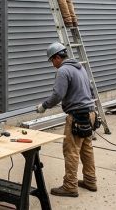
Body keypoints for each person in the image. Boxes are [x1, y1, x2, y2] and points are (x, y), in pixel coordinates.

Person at [35, 42, 97, 197]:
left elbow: (57, 95)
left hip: (77, 116)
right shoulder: (79, 67)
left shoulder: (63, 70)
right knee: (86, 149)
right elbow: (90, 89)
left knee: (71, 151)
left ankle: (70, 186)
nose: (52, 65)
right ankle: (90, 181)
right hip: (90, 113)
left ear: (57, 57)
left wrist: (44, 106)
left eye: (52, 61)